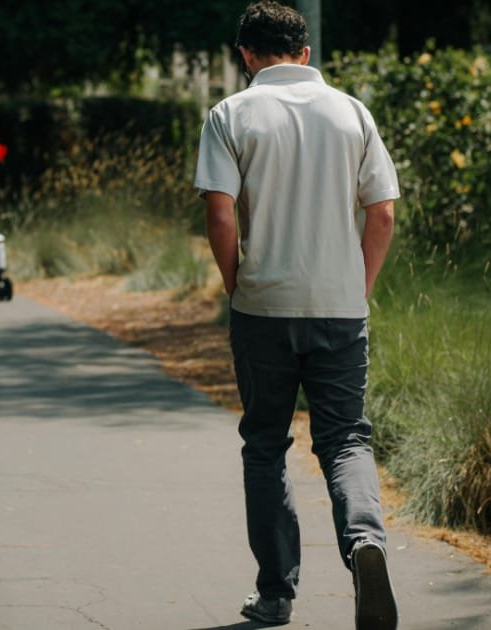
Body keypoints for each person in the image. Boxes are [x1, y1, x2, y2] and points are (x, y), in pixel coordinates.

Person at [194, 2, 400, 628]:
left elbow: (221, 212)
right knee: (344, 440)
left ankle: (277, 594)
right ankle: (365, 542)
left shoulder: (230, 115)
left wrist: (237, 284)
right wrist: (355, 291)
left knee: (265, 445)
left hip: (263, 309)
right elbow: (383, 212)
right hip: (339, 309)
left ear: (245, 55)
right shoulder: (351, 112)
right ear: (305, 54)